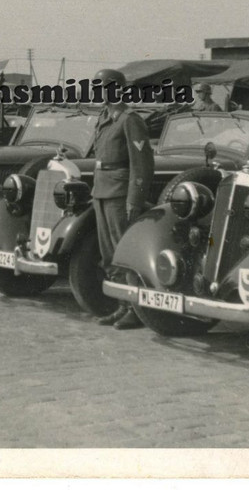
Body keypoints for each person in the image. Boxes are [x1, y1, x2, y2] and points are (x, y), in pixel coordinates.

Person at [90, 69, 154, 330]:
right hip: (102, 190)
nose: (97, 92)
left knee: (124, 251)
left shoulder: (129, 120)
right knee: (109, 254)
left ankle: (135, 310)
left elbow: (142, 164)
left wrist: (134, 199)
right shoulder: (105, 118)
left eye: (102, 87)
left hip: (118, 192)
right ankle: (122, 305)